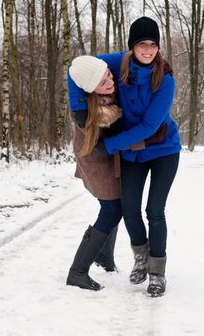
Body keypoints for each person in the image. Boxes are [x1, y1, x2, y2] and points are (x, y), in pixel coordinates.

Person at [68, 17, 181, 297]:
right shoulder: (118, 63)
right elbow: (75, 69)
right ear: (132, 46)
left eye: (153, 44)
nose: (148, 49)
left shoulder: (165, 77)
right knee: (128, 209)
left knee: (154, 210)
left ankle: (157, 273)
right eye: (142, 43)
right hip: (132, 152)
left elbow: (149, 126)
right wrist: (79, 107)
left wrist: (111, 145)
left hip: (162, 149)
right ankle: (140, 258)